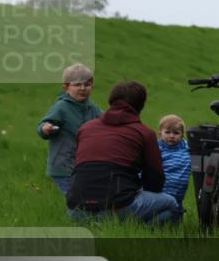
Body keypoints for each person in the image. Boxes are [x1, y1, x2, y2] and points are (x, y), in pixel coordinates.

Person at [67, 81, 182, 224]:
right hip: (118, 206)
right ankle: (139, 231)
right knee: (171, 204)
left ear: (111, 101)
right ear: (141, 105)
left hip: (76, 210)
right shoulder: (144, 133)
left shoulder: (85, 128)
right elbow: (155, 181)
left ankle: (116, 227)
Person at [37, 63, 102, 195]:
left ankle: (85, 213)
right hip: (63, 165)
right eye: (78, 85)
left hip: (84, 164)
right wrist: (45, 128)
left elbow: (106, 120)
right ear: (66, 87)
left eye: (87, 84)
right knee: (75, 198)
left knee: (86, 196)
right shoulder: (62, 107)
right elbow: (44, 124)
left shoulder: (92, 108)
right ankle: (78, 214)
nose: (83, 88)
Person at [158, 114, 192, 211]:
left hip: (180, 193)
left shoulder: (187, 149)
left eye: (176, 133)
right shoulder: (156, 149)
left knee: (176, 218)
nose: (171, 136)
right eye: (167, 132)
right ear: (160, 133)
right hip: (161, 192)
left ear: (182, 135)